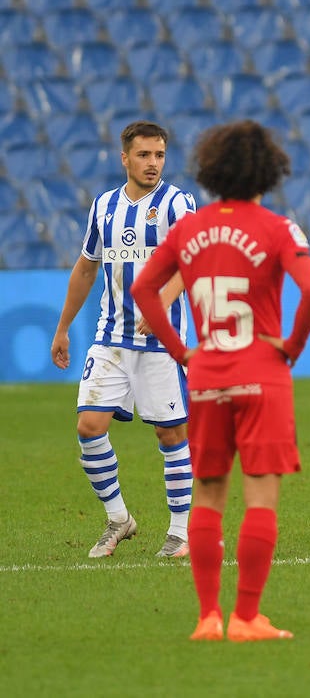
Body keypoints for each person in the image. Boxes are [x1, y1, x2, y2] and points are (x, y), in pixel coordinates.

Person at [131, 120, 310, 643]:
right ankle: (246, 619)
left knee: (209, 496)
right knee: (260, 497)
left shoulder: (188, 229)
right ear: (269, 169)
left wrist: (181, 351)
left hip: (207, 373)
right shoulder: (280, 228)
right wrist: (291, 347)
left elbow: (145, 290)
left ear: (212, 169)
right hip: (262, 373)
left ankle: (206, 619)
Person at [50, 120, 198, 559]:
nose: (153, 163)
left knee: (171, 436)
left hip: (161, 341)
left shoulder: (177, 203)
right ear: (125, 158)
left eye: (159, 155)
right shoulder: (104, 206)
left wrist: (161, 305)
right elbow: (86, 267)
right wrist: (62, 328)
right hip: (110, 338)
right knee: (88, 427)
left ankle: (180, 531)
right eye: (144, 155)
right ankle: (119, 518)